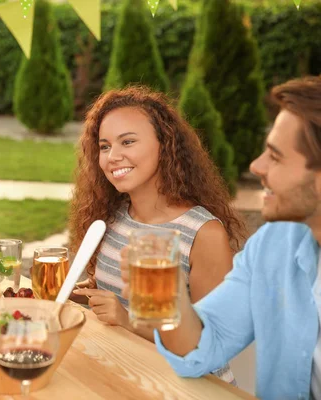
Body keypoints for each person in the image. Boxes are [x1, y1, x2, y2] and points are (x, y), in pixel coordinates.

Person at [116, 77, 321, 400]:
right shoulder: (273, 244)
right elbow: (207, 343)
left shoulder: (208, 230)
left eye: (276, 157)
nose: (256, 166)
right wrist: (171, 302)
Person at [71, 86, 246, 383]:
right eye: (104, 146)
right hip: (129, 372)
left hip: (191, 387)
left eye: (128, 142)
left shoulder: (203, 233)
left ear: (165, 144)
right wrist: (81, 290)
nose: (113, 156)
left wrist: (127, 320)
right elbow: (118, 294)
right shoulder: (112, 217)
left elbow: (209, 345)